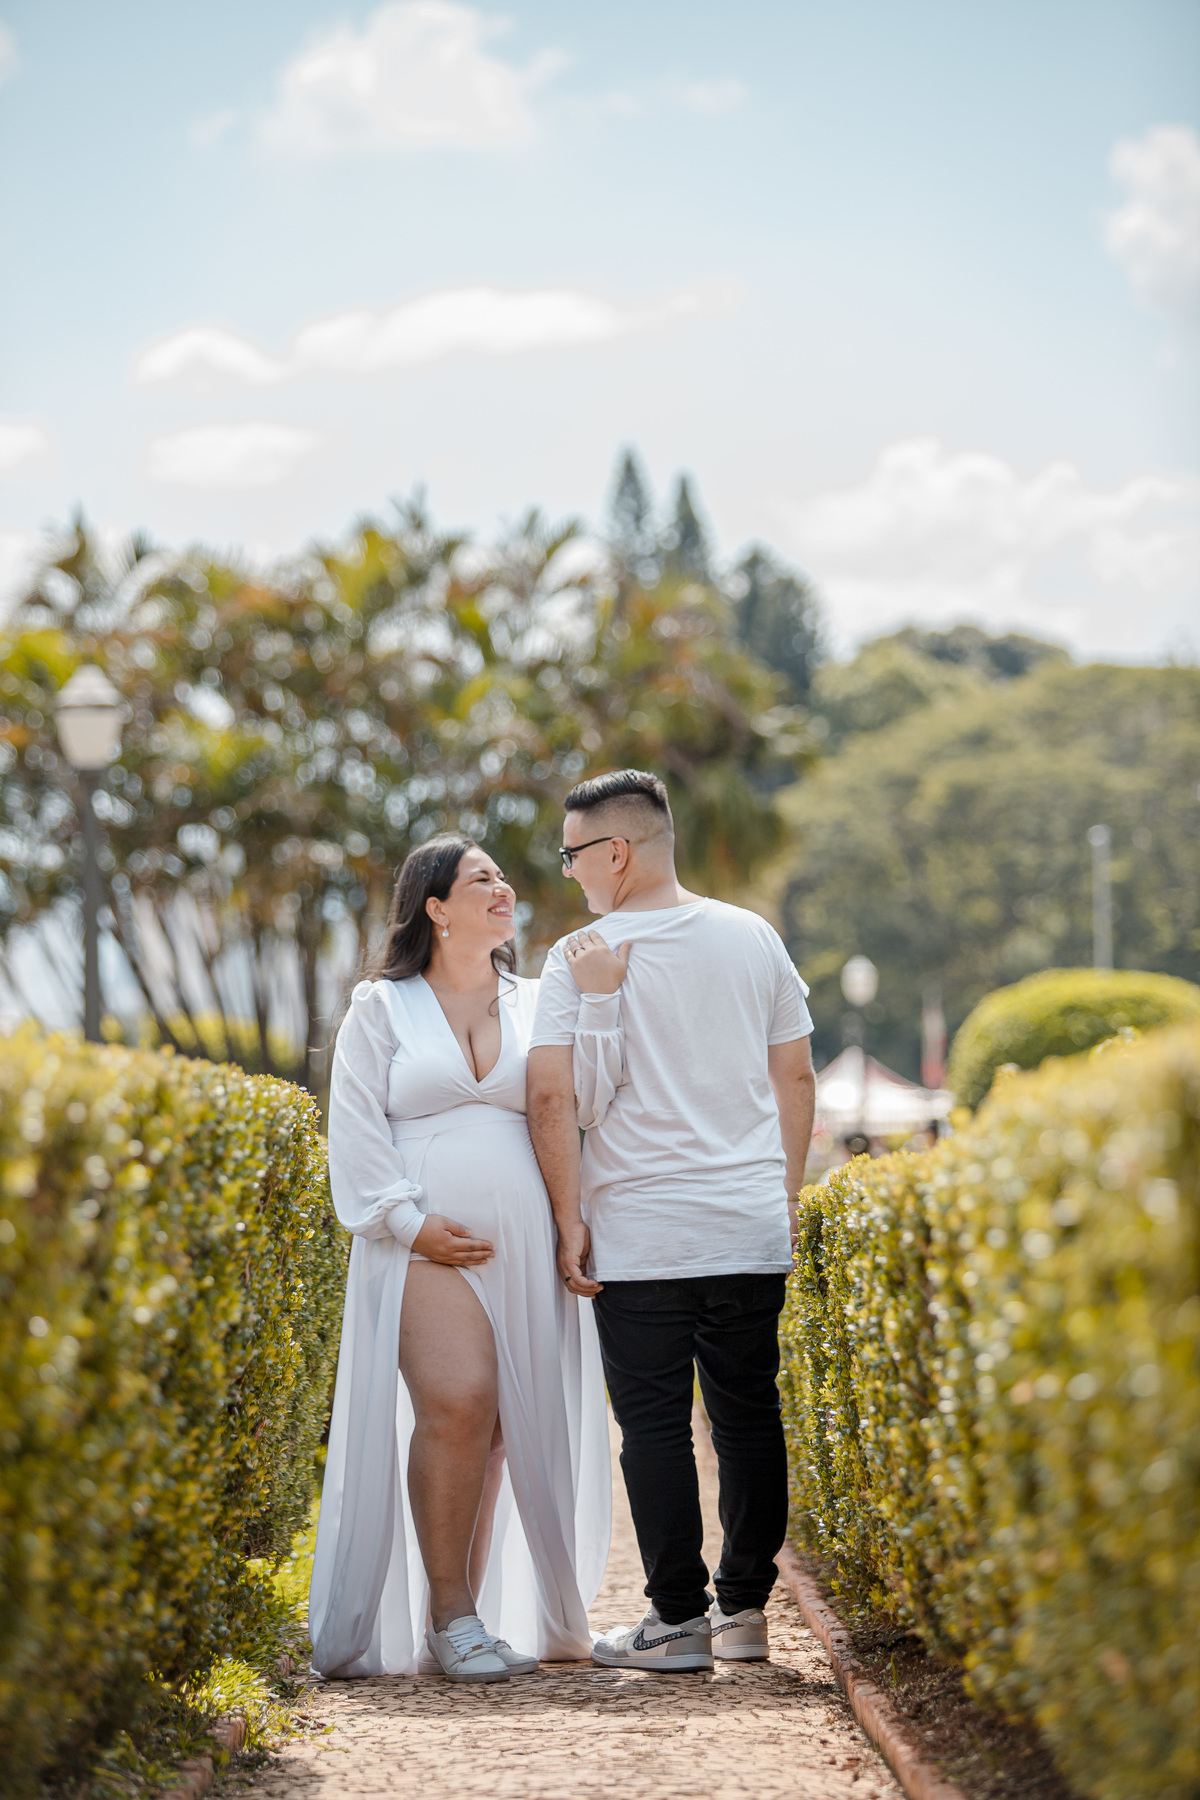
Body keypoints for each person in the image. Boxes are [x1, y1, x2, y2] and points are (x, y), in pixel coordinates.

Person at [309, 834, 621, 1684]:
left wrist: (599, 1002)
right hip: (422, 1238)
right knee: (457, 1402)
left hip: (525, 1236)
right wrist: (408, 1224)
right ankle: (450, 1616)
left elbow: (584, 1100)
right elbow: (355, 1126)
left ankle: (460, 1622)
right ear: (436, 907)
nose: (502, 887)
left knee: (499, 1433)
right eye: (480, 878)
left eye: (502, 876)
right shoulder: (383, 1006)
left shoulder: (539, 1000)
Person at [527, 770, 816, 1673]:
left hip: (643, 1231)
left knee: (653, 1428)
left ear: (615, 851)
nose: (569, 871)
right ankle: (746, 1613)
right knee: (748, 1418)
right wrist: (786, 1194)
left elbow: (555, 1098)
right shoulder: (753, 935)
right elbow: (795, 1076)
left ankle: (678, 1621)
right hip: (746, 1226)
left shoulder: (580, 956)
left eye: (573, 854)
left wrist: (567, 1217)